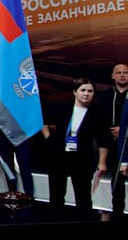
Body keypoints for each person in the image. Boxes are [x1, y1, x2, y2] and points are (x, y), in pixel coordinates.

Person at [43, 77, 111, 213]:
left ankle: (83, 220)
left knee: (83, 195)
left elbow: (104, 139)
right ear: (75, 92)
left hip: (82, 157)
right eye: (83, 90)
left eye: (90, 91)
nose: (86, 94)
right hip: (59, 155)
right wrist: (49, 138)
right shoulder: (62, 107)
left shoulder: (97, 113)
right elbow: (44, 122)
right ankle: (55, 219)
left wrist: (102, 162)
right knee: (56, 194)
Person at [96, 63, 128, 218]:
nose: (122, 75)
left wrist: (124, 129)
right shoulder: (105, 96)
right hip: (112, 145)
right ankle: (117, 216)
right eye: (119, 72)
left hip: (127, 143)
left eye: (125, 72)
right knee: (117, 184)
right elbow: (100, 123)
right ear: (113, 76)